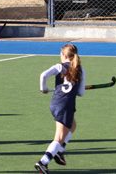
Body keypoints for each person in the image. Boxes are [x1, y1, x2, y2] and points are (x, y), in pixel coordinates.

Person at [34, 43, 85, 173]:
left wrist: (43, 88)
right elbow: (81, 93)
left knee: (72, 125)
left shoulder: (60, 66)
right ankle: (43, 162)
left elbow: (43, 75)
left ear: (63, 55)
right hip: (66, 105)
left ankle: (59, 151)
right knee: (58, 138)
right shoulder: (80, 70)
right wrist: (78, 87)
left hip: (56, 103)